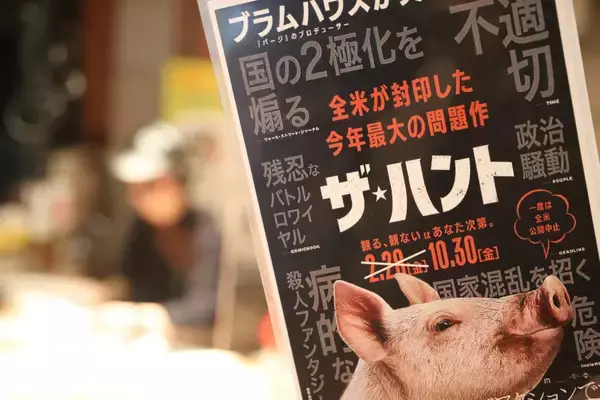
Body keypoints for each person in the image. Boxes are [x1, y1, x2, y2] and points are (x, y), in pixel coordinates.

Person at [109, 122, 221, 343]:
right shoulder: (141, 229)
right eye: (134, 188)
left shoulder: (207, 233)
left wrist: (149, 315)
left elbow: (208, 308)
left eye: (149, 186)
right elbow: (131, 285)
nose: (136, 198)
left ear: (179, 181)